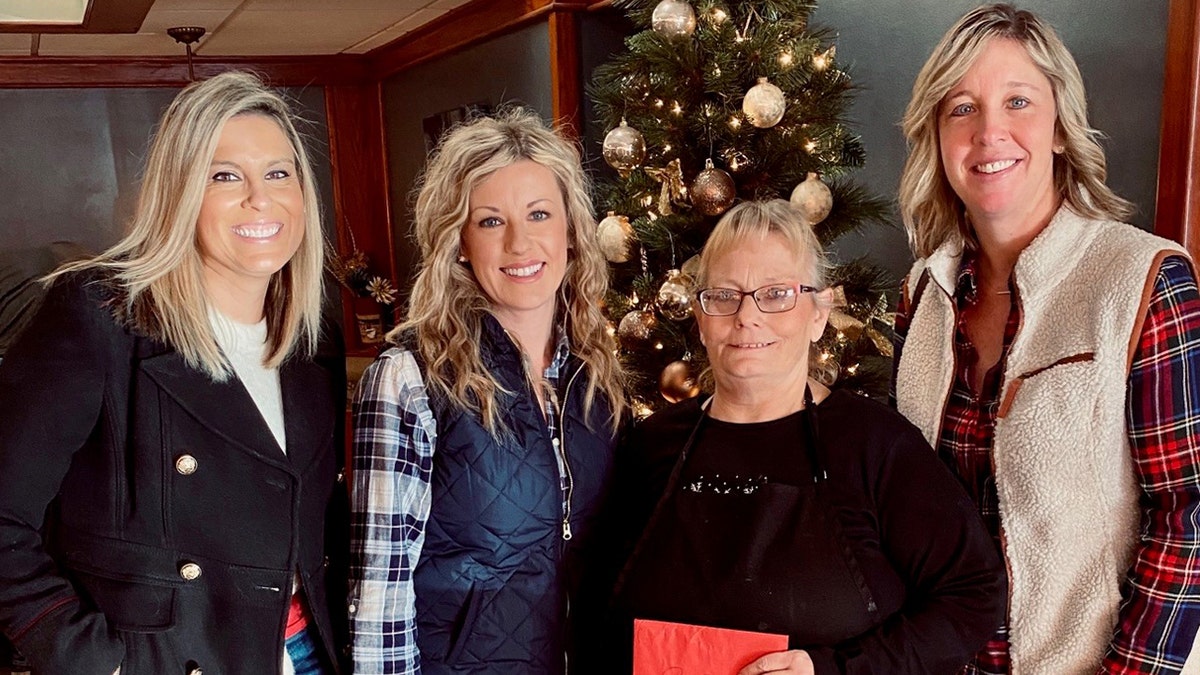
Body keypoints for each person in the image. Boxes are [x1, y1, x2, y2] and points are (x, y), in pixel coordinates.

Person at [0, 71, 347, 675]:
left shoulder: (315, 337)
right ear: (180, 192)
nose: (259, 199)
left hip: (304, 650)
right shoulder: (100, 315)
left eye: (278, 172)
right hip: (169, 659)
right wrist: (93, 661)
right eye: (224, 176)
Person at [893, 4, 1200, 672]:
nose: (988, 132)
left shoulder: (1144, 279)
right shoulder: (922, 291)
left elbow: (1188, 516)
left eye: (1018, 101)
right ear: (937, 136)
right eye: (962, 108)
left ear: (1061, 128)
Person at [613, 199, 1005, 674]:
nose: (746, 316)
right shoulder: (651, 446)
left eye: (776, 293)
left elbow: (974, 594)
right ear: (700, 319)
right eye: (723, 295)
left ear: (818, 314)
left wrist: (838, 670)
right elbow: (599, 615)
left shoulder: (874, 444)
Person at [347, 109, 627, 674]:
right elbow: (379, 591)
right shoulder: (410, 378)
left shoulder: (597, 375)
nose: (521, 243)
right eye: (491, 221)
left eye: (540, 214)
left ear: (570, 232)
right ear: (458, 242)